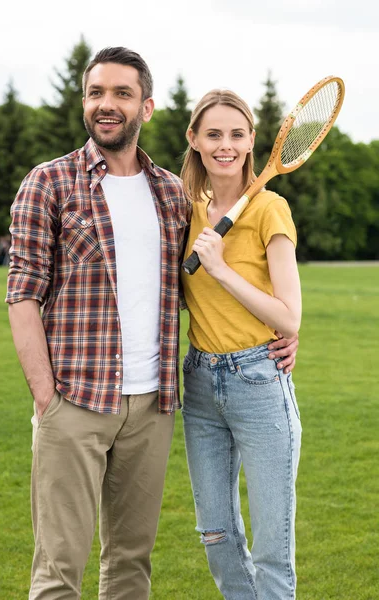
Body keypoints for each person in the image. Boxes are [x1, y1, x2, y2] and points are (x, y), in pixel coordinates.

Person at [6, 47, 298, 599]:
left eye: (122, 94)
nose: (107, 105)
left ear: (148, 107)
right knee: (58, 570)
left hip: (154, 407)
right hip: (74, 400)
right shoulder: (48, 184)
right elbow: (22, 293)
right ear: (85, 102)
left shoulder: (171, 195)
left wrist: (284, 332)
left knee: (131, 565)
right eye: (96, 93)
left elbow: (204, 293)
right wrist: (46, 396)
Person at [180, 89, 302, 599]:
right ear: (194, 140)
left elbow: (289, 316)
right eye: (213, 134)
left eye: (236, 134)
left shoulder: (270, 208)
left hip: (258, 381)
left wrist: (222, 269)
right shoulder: (186, 208)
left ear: (253, 141)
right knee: (217, 536)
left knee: (273, 547)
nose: (225, 145)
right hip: (200, 385)